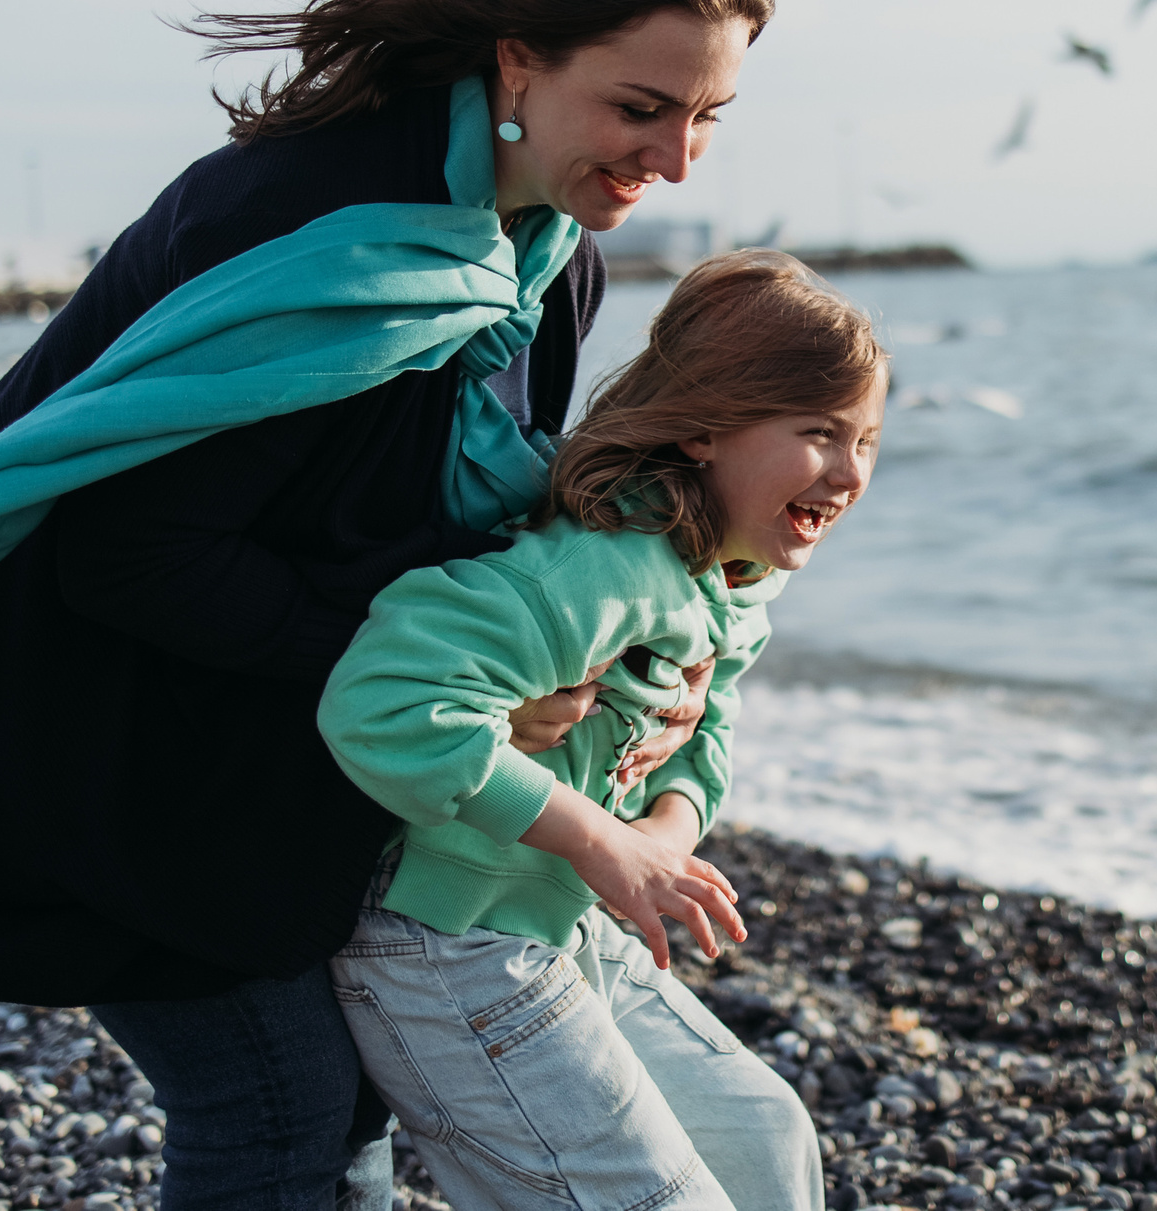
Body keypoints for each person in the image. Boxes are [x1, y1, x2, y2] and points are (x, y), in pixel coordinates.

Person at [0, 0, 774, 1209]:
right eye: (642, 106)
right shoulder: (313, 224)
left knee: (325, 1091)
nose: (673, 159)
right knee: (279, 1096)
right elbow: (131, 554)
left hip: (270, 737)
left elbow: (499, 523)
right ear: (519, 60)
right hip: (87, 730)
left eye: (709, 115)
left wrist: (646, 648)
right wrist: (423, 666)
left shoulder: (546, 257)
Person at [319, 250, 887, 1211]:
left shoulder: (738, 577)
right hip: (444, 940)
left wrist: (662, 838)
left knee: (767, 1138)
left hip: (561, 916)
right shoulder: (604, 568)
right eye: (820, 433)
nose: (848, 471)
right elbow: (381, 702)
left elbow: (709, 729)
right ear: (707, 428)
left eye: (868, 440)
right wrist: (597, 837)